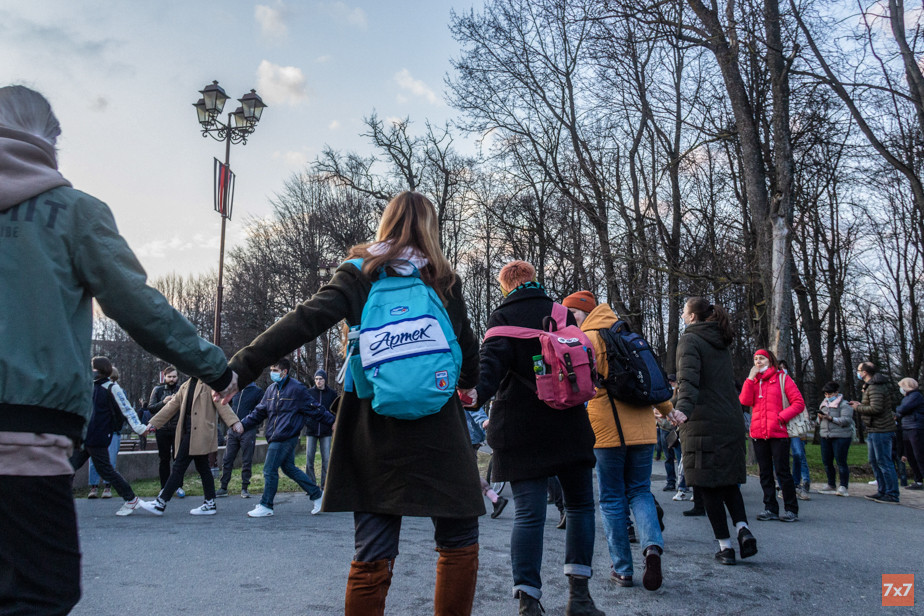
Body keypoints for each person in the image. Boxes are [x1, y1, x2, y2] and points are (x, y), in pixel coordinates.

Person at [0, 84, 236, 615]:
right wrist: (214, 366)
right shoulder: (73, 212)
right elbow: (137, 307)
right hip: (23, 428)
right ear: (47, 143)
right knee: (40, 590)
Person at [222, 192, 483, 616]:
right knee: (457, 539)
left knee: (374, 545)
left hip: (371, 422)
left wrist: (242, 366)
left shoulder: (359, 273)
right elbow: (467, 348)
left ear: (386, 224)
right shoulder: (442, 278)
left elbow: (302, 321)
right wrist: (469, 386)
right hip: (439, 426)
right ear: (431, 229)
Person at [470, 262, 603, 616]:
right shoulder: (561, 315)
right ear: (534, 281)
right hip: (570, 425)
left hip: (521, 428)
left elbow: (488, 373)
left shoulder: (502, 320)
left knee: (528, 516)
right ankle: (581, 597)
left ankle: (529, 602)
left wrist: (473, 395)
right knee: (579, 508)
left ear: (506, 286)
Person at [567, 290, 675, 592]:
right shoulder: (628, 335)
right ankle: (652, 547)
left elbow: (579, 388)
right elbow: (651, 380)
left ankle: (623, 569)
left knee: (612, 499)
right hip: (642, 428)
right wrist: (670, 411)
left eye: (572, 314)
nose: (569, 320)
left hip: (606, 431)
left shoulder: (585, 341)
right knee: (640, 492)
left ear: (583, 313)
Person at [674, 298, 756, 566]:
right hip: (730, 419)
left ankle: (726, 546)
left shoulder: (690, 340)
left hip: (703, 421)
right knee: (729, 482)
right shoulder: (721, 341)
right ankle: (743, 528)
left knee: (708, 485)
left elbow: (688, 380)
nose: (683, 316)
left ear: (694, 316)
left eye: (685, 312)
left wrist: (681, 410)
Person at [236, 358, 332, 518]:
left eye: (275, 370)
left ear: (284, 372)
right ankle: (317, 495)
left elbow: (316, 409)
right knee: (289, 468)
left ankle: (266, 505)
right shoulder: (271, 390)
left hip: (286, 435)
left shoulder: (297, 389)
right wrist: (243, 424)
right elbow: (259, 411)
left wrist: (333, 422)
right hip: (275, 435)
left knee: (269, 469)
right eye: (271, 369)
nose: (272, 373)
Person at [140, 378, 242, 515]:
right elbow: (171, 406)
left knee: (179, 466)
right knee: (203, 468)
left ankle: (161, 502)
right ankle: (210, 503)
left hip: (199, 433)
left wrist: (234, 422)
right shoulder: (186, 385)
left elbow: (221, 404)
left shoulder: (208, 384)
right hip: (189, 433)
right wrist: (153, 423)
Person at [70, 357, 149, 514]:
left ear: (100, 370)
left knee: (105, 470)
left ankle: (131, 499)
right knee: (68, 466)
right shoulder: (89, 387)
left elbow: (127, 409)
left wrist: (140, 428)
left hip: (98, 436)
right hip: (85, 436)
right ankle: (57, 499)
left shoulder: (112, 388)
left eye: (92, 368)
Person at [739, 348, 804, 522]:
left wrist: (781, 417)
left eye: (761, 358)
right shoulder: (754, 381)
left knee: (782, 472)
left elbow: (798, 403)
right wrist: (749, 378)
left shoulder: (783, 378)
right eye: (755, 359)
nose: (758, 362)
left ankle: (791, 509)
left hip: (778, 433)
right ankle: (770, 508)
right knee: (765, 473)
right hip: (759, 434)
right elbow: (744, 401)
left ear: (770, 360)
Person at [850, 362, 900, 504]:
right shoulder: (871, 387)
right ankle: (882, 490)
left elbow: (876, 408)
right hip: (874, 429)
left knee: (884, 461)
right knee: (875, 461)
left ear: (865, 372)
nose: (858, 372)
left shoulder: (876, 387)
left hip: (881, 429)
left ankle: (892, 493)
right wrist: (860, 405)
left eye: (859, 370)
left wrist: (858, 408)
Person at [87, 366, 135, 498]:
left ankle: (109, 488)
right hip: (96, 430)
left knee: (109, 462)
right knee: (94, 462)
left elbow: (124, 411)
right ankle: (94, 486)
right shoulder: (95, 389)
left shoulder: (117, 390)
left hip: (111, 431)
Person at [216, 381, 264, 498]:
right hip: (233, 430)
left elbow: (261, 412)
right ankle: (223, 487)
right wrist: (230, 424)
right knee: (227, 459)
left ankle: (244, 488)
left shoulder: (257, 392)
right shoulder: (234, 390)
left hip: (248, 430)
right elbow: (227, 407)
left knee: (246, 460)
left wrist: (249, 425)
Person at [464, 405, 509, 518]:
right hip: (468, 438)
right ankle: (494, 499)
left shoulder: (464, 397)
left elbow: (478, 414)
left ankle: (495, 499)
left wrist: (485, 422)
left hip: (468, 439)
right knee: (468, 472)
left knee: (467, 472)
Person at [148, 366, 185, 498]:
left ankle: (178, 486)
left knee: (178, 459)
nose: (172, 379)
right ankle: (164, 487)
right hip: (162, 429)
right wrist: (163, 402)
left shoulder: (181, 389)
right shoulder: (157, 390)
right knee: (164, 459)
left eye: (174, 377)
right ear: (164, 377)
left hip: (177, 428)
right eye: (169, 377)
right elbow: (151, 408)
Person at [778, 360, 811, 500]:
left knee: (798, 454)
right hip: (779, 423)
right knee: (779, 457)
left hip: (793, 424)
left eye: (785, 368)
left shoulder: (791, 383)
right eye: (780, 368)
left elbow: (800, 403)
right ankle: (783, 486)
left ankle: (796, 484)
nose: (783, 370)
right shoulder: (772, 385)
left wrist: (805, 418)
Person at [815, 381, 854, 496]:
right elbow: (819, 422)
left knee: (841, 461)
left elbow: (846, 420)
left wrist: (831, 418)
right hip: (826, 436)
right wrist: (820, 418)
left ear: (837, 393)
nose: (828, 396)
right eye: (826, 394)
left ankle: (843, 486)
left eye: (830, 394)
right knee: (827, 462)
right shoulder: (824, 404)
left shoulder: (844, 405)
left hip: (841, 436)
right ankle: (831, 484)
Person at [305, 368, 337, 488]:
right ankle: (311, 485)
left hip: (326, 430)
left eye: (321, 379)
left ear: (325, 380)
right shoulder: (309, 393)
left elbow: (335, 411)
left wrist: (334, 423)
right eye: (316, 379)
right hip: (311, 430)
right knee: (309, 459)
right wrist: (307, 421)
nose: (318, 381)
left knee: (326, 459)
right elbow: (305, 409)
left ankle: (325, 485)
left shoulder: (332, 394)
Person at [896, 377, 924, 491]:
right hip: (907, 428)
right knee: (910, 456)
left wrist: (899, 409)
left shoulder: (915, 396)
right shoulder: (908, 397)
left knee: (919, 455)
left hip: (915, 427)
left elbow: (903, 409)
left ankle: (920, 478)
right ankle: (918, 480)